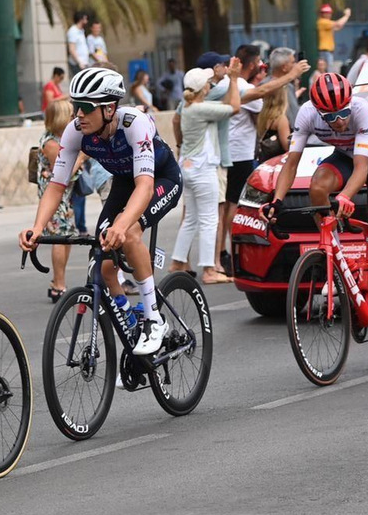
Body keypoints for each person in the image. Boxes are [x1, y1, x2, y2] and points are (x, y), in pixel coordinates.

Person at [21, 68, 182, 355]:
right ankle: (133, 331)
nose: (78, 114)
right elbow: (57, 186)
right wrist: (37, 227)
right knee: (103, 264)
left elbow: (144, 187)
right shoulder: (75, 132)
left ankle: (154, 318)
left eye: (85, 107)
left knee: (129, 233)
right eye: (75, 106)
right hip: (122, 181)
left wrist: (122, 225)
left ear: (109, 108)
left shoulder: (135, 123)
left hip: (160, 178)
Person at [262, 72, 368, 349]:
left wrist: (344, 196)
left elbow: (362, 168)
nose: (339, 121)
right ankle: (335, 256)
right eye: (330, 117)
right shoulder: (306, 114)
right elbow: (291, 164)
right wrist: (276, 201)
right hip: (344, 156)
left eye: (342, 112)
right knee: (317, 188)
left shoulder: (362, 110)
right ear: (318, 112)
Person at [215, 56, 310, 273]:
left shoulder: (263, 115)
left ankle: (235, 248)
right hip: (268, 165)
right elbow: (288, 145)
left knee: (235, 205)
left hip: (259, 164)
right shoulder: (281, 118)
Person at [173, 64, 242, 286]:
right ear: (204, 88)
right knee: (210, 219)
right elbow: (234, 107)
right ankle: (209, 270)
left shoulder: (188, 105)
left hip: (188, 167)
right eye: (208, 83)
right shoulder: (201, 109)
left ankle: (177, 262)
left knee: (191, 219)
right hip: (203, 169)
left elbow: (223, 104)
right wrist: (233, 80)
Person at [33, 98, 87, 301]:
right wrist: (81, 158)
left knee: (67, 237)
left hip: (65, 197)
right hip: (54, 196)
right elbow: (61, 174)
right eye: (70, 115)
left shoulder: (60, 139)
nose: (74, 118)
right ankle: (59, 283)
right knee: (59, 238)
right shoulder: (51, 143)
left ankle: (58, 281)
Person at [317, 4, 352, 69]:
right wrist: (347, 16)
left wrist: (346, 17)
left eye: (329, 13)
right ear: (322, 14)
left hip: (327, 52)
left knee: (329, 70)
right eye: (326, 13)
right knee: (328, 71)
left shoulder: (327, 23)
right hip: (325, 51)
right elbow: (338, 24)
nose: (328, 14)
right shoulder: (322, 22)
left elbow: (338, 27)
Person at [66, 10, 92, 75]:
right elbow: (72, 49)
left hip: (84, 63)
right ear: (80, 19)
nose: (87, 21)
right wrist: (79, 62)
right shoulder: (73, 31)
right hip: (77, 64)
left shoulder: (81, 31)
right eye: (85, 19)